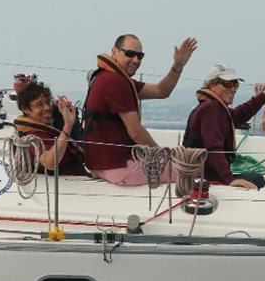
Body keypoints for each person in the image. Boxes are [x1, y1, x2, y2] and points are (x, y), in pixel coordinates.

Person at [83, 34, 197, 185]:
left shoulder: (105, 77)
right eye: (130, 54)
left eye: (140, 56)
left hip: (99, 166)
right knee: (192, 169)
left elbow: (161, 91)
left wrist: (178, 66)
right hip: (120, 168)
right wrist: (164, 155)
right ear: (114, 51)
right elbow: (135, 131)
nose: (136, 60)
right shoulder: (116, 82)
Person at [183, 63, 265, 189]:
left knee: (256, 178)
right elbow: (213, 148)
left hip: (208, 173)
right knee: (258, 179)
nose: (232, 89)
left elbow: (239, 114)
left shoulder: (214, 106)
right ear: (212, 85)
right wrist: (229, 180)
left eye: (235, 84)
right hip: (206, 177)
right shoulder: (212, 109)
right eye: (227, 84)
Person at [14, 81, 87, 176]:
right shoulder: (31, 136)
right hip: (64, 181)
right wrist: (68, 125)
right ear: (25, 109)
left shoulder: (50, 126)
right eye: (39, 104)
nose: (47, 107)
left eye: (48, 102)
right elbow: (50, 163)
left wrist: (65, 116)